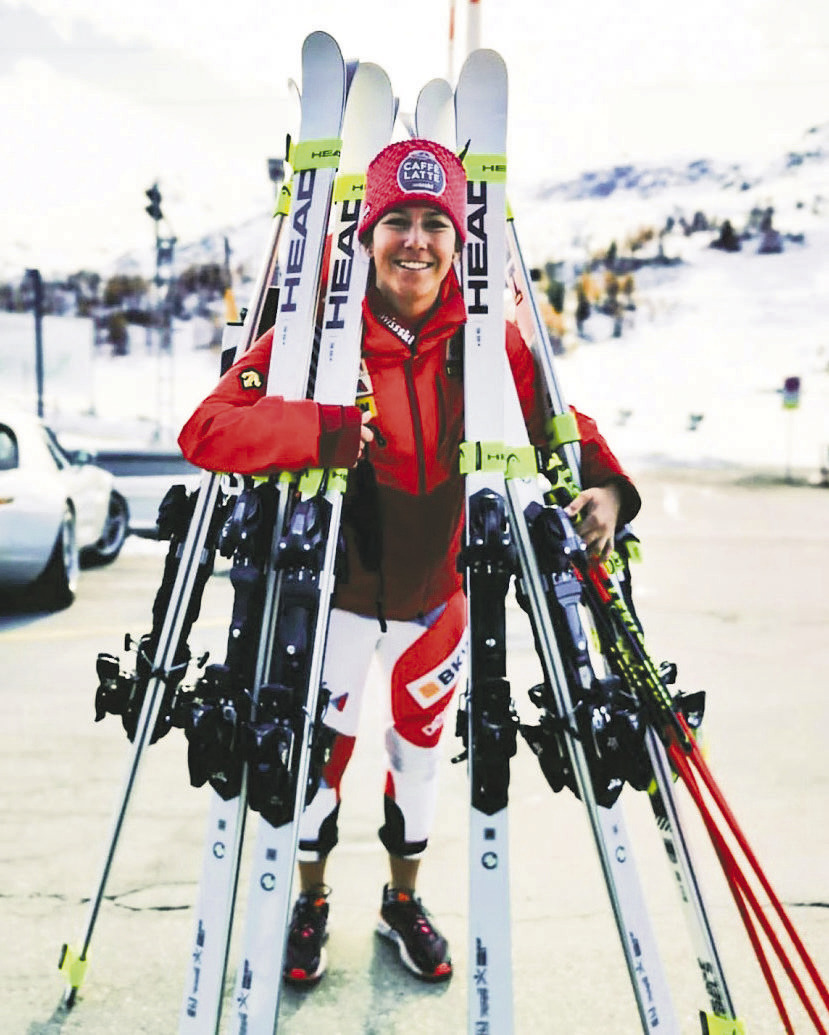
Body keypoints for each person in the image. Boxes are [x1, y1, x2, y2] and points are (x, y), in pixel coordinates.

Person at [178, 138, 641, 988]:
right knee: (320, 758)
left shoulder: (489, 341)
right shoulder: (314, 339)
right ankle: (310, 900)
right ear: (368, 235)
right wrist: (318, 430)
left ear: (456, 243)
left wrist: (608, 486)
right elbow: (206, 430)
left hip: (439, 598)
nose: (417, 241)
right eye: (398, 221)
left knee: (420, 759)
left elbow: (554, 420)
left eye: (435, 223)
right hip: (335, 603)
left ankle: (401, 901)